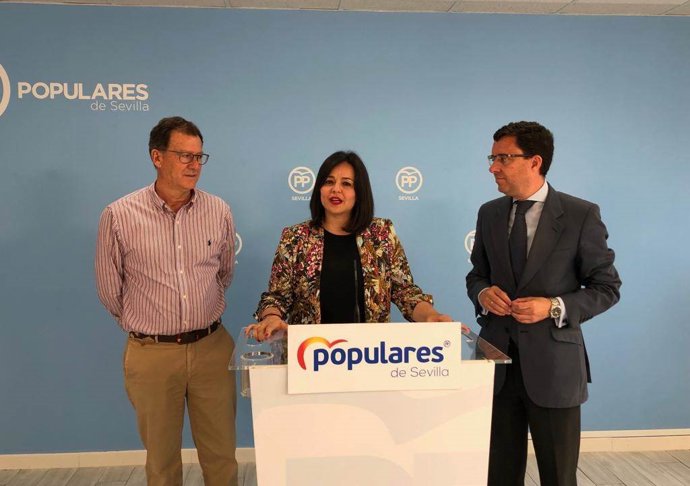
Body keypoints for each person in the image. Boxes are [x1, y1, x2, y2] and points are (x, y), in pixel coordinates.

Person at [466, 121, 621, 486]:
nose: (493, 167)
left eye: (503, 158)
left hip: (555, 369)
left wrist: (553, 306)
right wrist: (483, 294)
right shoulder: (489, 213)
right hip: (497, 366)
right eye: (492, 158)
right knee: (498, 475)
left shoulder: (580, 215)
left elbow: (606, 287)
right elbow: (477, 276)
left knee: (558, 477)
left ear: (535, 161)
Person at [95, 116, 238, 486]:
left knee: (222, 456)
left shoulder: (218, 211)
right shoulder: (119, 215)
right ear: (156, 157)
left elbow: (223, 273)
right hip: (152, 354)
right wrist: (150, 327)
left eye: (199, 156)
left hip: (212, 349)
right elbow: (110, 289)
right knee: (161, 463)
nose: (194, 165)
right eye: (184, 155)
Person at [251, 150, 451, 340]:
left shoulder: (381, 234)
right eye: (329, 182)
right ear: (319, 189)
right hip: (310, 353)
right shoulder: (295, 237)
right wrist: (271, 317)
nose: (336, 189)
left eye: (346, 183)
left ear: (359, 192)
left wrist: (430, 316)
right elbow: (277, 297)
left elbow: (404, 292)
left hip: (369, 352)